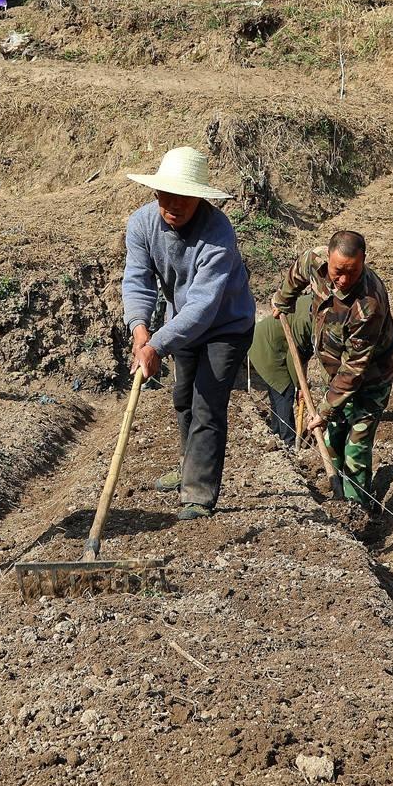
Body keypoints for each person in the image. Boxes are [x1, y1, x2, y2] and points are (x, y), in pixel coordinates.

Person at [121, 147, 256, 521]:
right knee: (183, 397)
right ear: (156, 193)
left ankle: (198, 491)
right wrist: (140, 330)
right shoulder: (142, 224)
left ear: (199, 198)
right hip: (181, 321)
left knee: (207, 403)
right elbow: (137, 281)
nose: (174, 205)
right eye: (167, 196)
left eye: (184, 198)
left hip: (225, 325)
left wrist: (158, 346)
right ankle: (186, 467)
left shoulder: (218, 233)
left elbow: (203, 305)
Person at [271, 231, 393, 509]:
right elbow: (298, 270)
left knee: (357, 444)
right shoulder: (316, 261)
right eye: (337, 271)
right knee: (333, 435)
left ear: (363, 262)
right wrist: (284, 299)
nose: (342, 280)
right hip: (336, 371)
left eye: (351, 272)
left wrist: (324, 410)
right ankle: (336, 497)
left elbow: (355, 368)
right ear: (328, 258)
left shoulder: (369, 305)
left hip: (370, 377)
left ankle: (356, 510)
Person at [247, 291, 314, 447]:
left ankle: (276, 431)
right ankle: (288, 440)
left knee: (278, 391)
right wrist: (299, 386)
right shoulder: (305, 321)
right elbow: (294, 357)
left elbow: (303, 353)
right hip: (266, 348)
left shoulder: (311, 303)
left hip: (269, 344)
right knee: (285, 390)